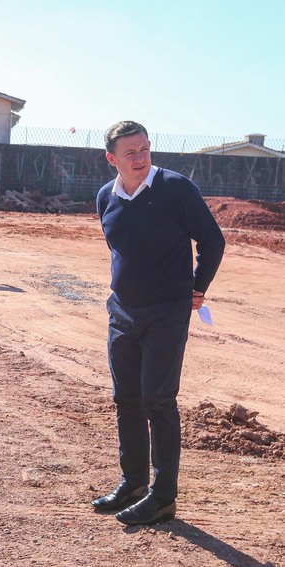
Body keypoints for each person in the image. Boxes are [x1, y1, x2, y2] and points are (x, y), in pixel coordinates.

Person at [91, 121, 225, 525]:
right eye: (130, 152)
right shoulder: (105, 197)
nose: (140, 157)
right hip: (122, 312)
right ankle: (132, 483)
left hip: (166, 312)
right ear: (111, 158)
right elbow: (120, 249)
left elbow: (213, 241)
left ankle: (162, 496)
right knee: (125, 400)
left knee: (158, 401)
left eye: (145, 148)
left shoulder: (176, 189)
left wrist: (197, 288)